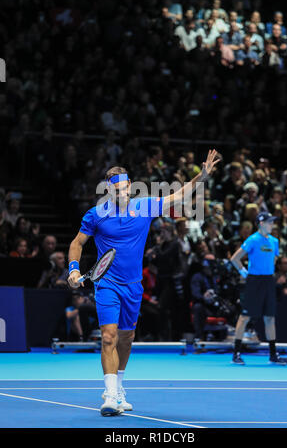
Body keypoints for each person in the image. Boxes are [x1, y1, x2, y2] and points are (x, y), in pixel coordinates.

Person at [67, 150, 220, 416]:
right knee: (108, 337)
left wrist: (202, 176)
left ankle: (120, 388)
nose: (124, 193)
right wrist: (73, 269)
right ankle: (110, 394)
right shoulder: (96, 214)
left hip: (133, 286)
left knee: (126, 338)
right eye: (118, 190)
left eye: (127, 188)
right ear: (109, 191)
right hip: (107, 284)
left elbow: (179, 195)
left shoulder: (145, 206)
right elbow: (77, 243)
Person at [230, 211, 286, 365]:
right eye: (269, 222)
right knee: (245, 317)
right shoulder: (253, 239)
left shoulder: (274, 241)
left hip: (268, 281)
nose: (272, 224)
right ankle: (236, 354)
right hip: (254, 281)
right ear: (261, 223)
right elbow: (235, 258)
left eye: (273, 222)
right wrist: (245, 273)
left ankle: (273, 355)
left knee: (270, 318)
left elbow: (274, 258)